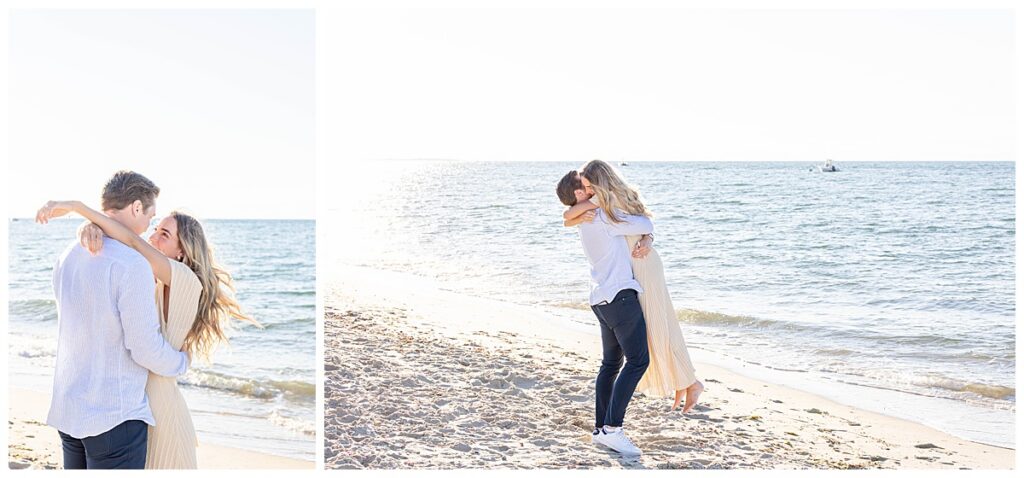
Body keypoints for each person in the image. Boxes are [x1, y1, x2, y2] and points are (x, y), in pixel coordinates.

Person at [37, 171, 259, 469]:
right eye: (154, 225)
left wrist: (83, 212)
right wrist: (91, 224)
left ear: (183, 251)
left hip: (153, 404)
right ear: (137, 208)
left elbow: (130, 239)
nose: (151, 235)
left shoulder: (183, 280)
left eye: (164, 234)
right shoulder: (140, 272)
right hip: (125, 408)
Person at [40, 171, 189, 469]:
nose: (148, 227)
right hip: (113, 418)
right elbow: (143, 347)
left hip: (69, 410)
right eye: (150, 216)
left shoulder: (67, 255)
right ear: (136, 207)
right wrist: (180, 362)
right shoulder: (133, 264)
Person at [563, 159, 704, 413]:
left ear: (599, 183)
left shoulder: (605, 206)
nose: (589, 193)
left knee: (661, 326)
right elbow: (570, 216)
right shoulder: (603, 205)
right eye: (585, 188)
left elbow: (646, 225)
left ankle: (688, 382)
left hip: (643, 266)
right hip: (635, 267)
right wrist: (573, 217)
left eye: (589, 187)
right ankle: (685, 382)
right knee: (659, 328)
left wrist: (648, 238)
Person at [556, 170, 652, 457]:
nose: (592, 186)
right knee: (637, 361)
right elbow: (644, 221)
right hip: (619, 296)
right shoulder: (600, 217)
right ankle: (612, 429)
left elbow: (640, 227)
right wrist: (648, 235)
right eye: (586, 185)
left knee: (611, 364)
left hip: (601, 298)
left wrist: (647, 238)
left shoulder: (587, 218)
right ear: (579, 194)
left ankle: (601, 430)